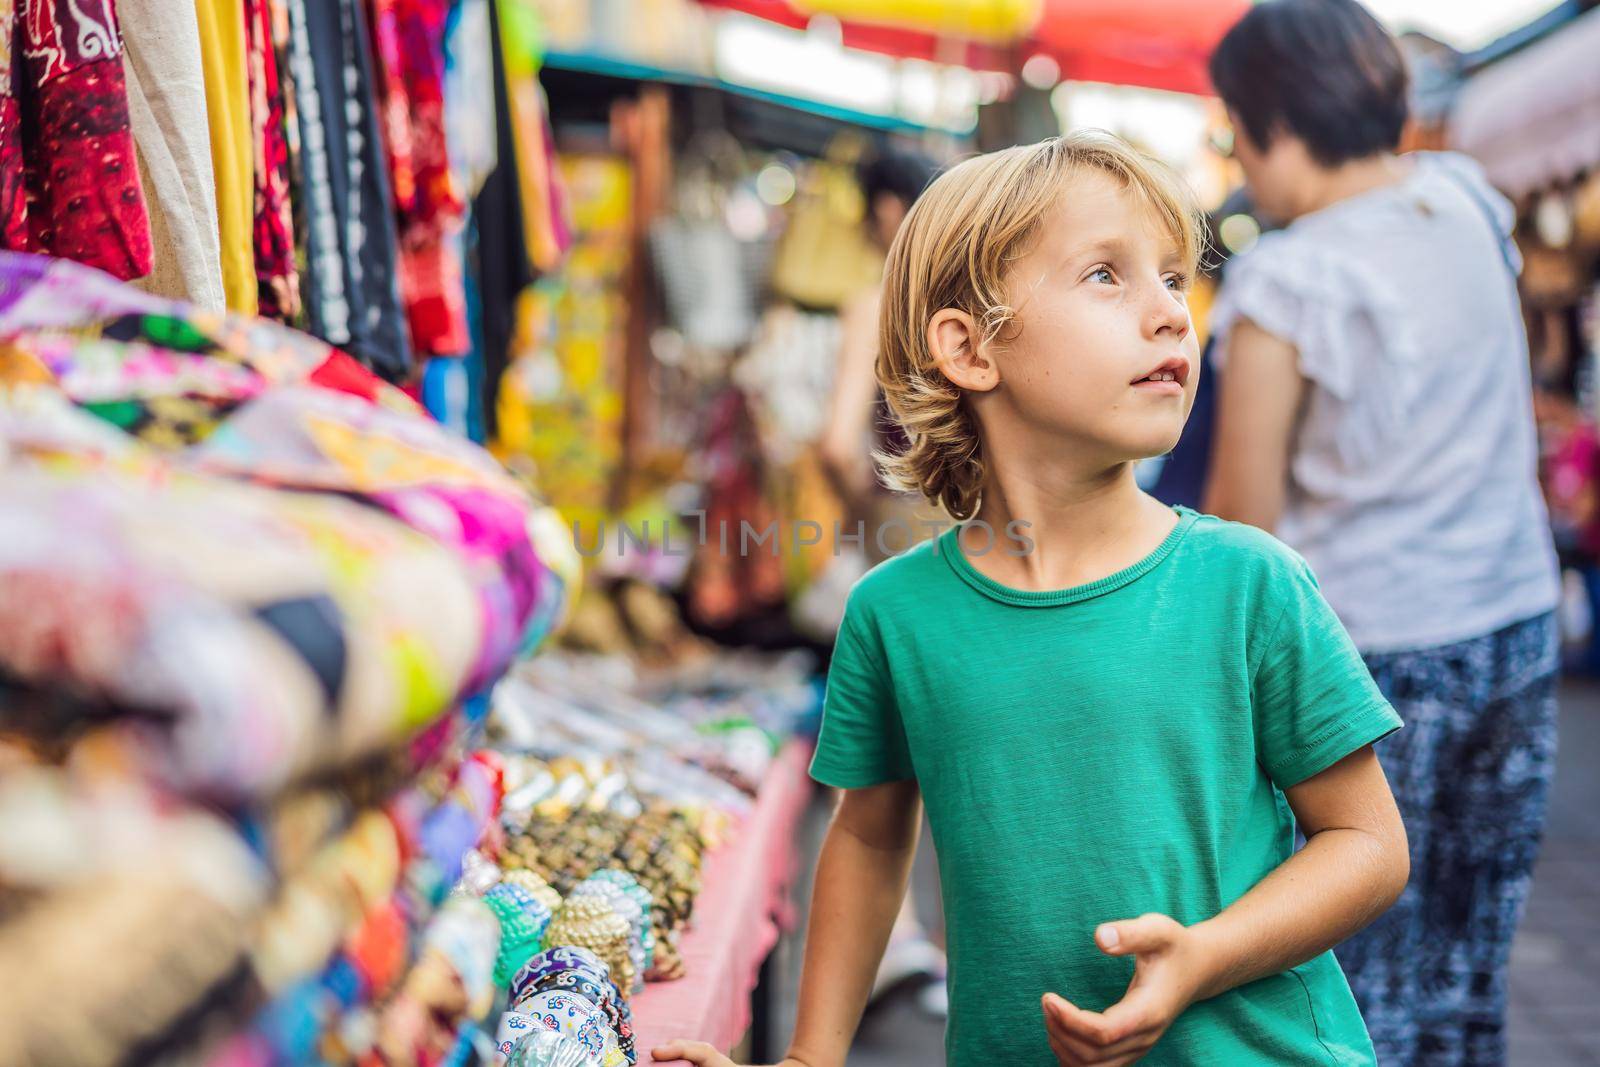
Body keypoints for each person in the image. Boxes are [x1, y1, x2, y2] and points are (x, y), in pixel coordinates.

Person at [653, 131, 1409, 1067]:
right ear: (969, 349)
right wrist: (810, 1056)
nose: (1172, 315)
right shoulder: (895, 616)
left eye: (1174, 280)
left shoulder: (1249, 581)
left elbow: (1370, 843)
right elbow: (867, 836)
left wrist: (1204, 957)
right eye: (1107, 275)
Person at [1202, 3, 1563, 1065]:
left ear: (1269, 119)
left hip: (1368, 661)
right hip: (1515, 622)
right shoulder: (1462, 201)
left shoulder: (1285, 277)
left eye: (1233, 125)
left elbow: (1240, 533)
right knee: (1468, 963)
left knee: (1356, 981)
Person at [815, 148, 950, 1017]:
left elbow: (834, 441)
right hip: (986, 527)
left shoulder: (883, 299)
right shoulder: (982, 302)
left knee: (876, 746)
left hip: (901, 525)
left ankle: (893, 939)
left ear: (890, 209)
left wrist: (860, 505)